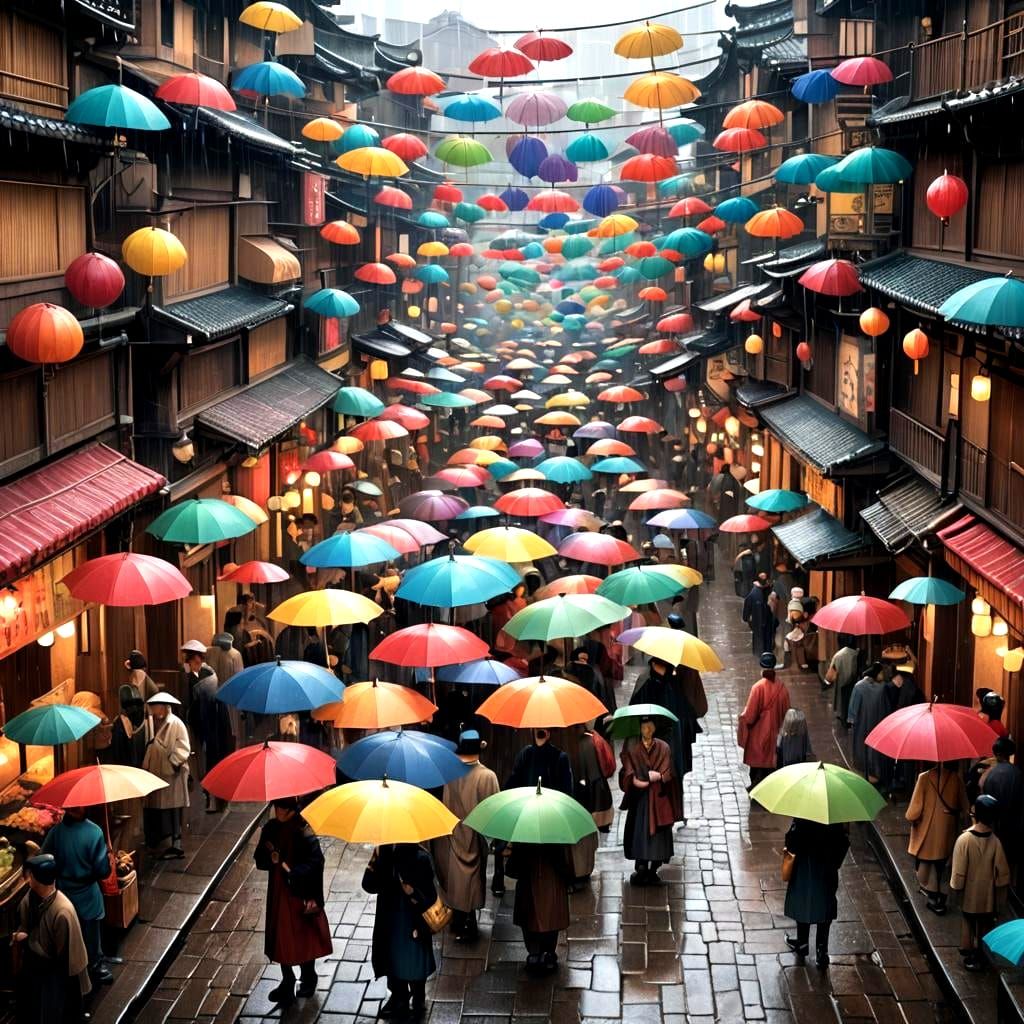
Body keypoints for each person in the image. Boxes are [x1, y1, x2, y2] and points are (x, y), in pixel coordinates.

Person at [254, 798, 332, 1005]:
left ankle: (308, 976)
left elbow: (317, 861)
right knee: (281, 937)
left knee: (302, 937)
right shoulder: (270, 829)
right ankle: (287, 980)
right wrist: (268, 859)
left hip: (299, 892)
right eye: (277, 807)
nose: (279, 812)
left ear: (292, 810)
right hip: (279, 893)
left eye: (283, 808)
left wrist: (295, 873)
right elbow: (259, 858)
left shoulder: (303, 830)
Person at [431, 731, 499, 943]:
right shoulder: (487, 776)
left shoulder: (448, 773)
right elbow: (495, 810)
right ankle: (469, 919)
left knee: (454, 878)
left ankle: (458, 918)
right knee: (471, 879)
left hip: (450, 833)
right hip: (473, 835)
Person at [362, 843, 438, 1019]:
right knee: (392, 959)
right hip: (390, 917)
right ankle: (399, 997)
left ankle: (418, 998)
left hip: (412, 921)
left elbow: (430, 896)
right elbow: (368, 884)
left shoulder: (420, 857)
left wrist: (413, 892)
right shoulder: (384, 851)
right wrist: (376, 861)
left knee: (413, 961)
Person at [13, 854, 91, 1023]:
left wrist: (28, 940)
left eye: (29, 875)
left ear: (35, 878)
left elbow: (63, 958)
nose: (27, 879)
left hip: (57, 970)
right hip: (39, 966)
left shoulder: (62, 911)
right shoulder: (31, 898)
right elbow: (24, 923)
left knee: (57, 1010)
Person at [41, 806, 112, 985]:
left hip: (63, 895)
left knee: (67, 938)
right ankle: (95, 967)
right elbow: (102, 871)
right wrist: (108, 858)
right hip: (88, 893)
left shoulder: (56, 832)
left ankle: (72, 971)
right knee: (91, 937)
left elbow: (44, 859)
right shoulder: (95, 832)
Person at [950, 794, 1011, 971]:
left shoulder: (964, 839)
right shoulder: (995, 841)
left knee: (969, 921)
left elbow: (959, 870)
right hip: (988, 895)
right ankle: (982, 953)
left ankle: (968, 951)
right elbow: (1002, 870)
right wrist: (1001, 890)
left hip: (970, 893)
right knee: (984, 924)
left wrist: (956, 887)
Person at [783, 819, 850, 968]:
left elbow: (791, 845)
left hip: (804, 869)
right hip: (827, 871)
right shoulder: (834, 820)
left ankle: (802, 943)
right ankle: (821, 951)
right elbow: (843, 843)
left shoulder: (803, 816)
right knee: (825, 907)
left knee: (803, 901)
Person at [906, 762, 970, 916]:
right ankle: (940, 896)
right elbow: (965, 807)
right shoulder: (956, 778)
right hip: (948, 830)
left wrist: (911, 818)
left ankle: (933, 896)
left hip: (927, 831)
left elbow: (913, 813)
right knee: (942, 864)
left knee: (928, 864)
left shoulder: (924, 778)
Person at [620, 717, 676, 886]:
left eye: (650, 727)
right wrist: (636, 781)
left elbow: (669, 771)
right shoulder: (633, 748)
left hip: (659, 799)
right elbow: (627, 771)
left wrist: (659, 776)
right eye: (644, 727)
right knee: (639, 832)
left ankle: (654, 869)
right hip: (641, 799)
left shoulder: (663, 747)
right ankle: (641, 866)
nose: (647, 731)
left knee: (658, 836)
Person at [141, 693, 191, 858]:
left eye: (156, 706)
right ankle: (160, 842)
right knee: (158, 808)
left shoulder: (175, 723)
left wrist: (173, 762)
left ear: (163, 706)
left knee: (173, 809)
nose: (154, 710)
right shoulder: (151, 722)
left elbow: (183, 747)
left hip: (171, 774)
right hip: (156, 771)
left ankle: (174, 842)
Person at [511, 842, 575, 972]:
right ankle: (548, 953)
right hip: (552, 880)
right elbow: (564, 861)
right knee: (551, 917)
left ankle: (535, 953)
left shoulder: (522, 832)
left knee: (530, 918)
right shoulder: (557, 832)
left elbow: (515, 864)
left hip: (529, 881)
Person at [568, 725, 613, 885]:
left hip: (578, 799)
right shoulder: (588, 741)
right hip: (585, 800)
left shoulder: (578, 744)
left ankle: (580, 873)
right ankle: (583, 872)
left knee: (580, 839)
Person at [738, 655, 791, 788]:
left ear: (761, 667)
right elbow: (787, 712)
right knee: (771, 764)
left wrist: (742, 718)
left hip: (759, 733)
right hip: (776, 734)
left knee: (757, 764)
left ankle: (756, 787)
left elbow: (750, 715)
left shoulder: (758, 687)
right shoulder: (782, 687)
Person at [188, 659, 233, 812]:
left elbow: (196, 719)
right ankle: (219, 802)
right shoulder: (217, 694)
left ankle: (212, 800)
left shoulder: (203, 694)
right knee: (219, 769)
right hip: (220, 740)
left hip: (209, 742)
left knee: (211, 769)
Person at [981, 737, 1023, 870]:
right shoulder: (1018, 774)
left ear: (996, 753)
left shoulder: (990, 775)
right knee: (1008, 865)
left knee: (993, 864)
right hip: (1013, 826)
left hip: (994, 826)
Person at [846, 662, 889, 782]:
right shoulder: (882, 688)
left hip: (862, 724)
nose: (883, 675)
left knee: (861, 746)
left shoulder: (858, 687)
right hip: (877, 722)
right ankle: (874, 772)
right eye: (881, 672)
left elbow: (853, 709)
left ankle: (862, 770)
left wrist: (852, 721)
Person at [206, 633, 245, 741]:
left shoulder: (208, 652)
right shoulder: (235, 654)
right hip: (231, 697)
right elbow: (240, 679)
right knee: (232, 729)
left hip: (212, 697)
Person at [741, 573, 776, 658]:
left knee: (760, 640)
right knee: (766, 640)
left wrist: (747, 618)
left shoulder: (753, 593)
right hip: (765, 621)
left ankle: (761, 655)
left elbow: (746, 611)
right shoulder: (767, 591)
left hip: (760, 622)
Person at [825, 637, 860, 721]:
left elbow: (830, 674)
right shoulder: (856, 654)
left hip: (840, 681)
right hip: (853, 681)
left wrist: (827, 681)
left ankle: (841, 714)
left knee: (841, 699)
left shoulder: (838, 655)